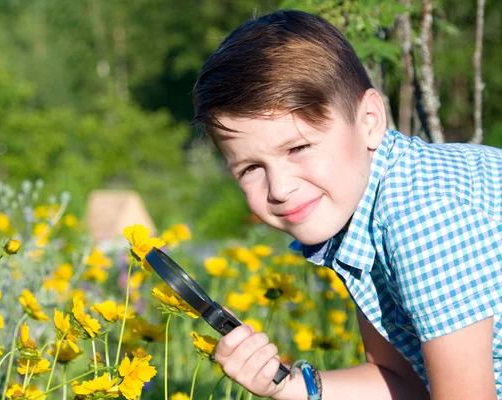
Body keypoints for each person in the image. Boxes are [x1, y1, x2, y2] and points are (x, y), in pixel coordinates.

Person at [190, 9, 502, 400]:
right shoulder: (362, 208)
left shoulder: (422, 217)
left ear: (369, 120)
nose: (280, 188)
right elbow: (400, 381)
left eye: (299, 147)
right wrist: (285, 385)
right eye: (251, 168)